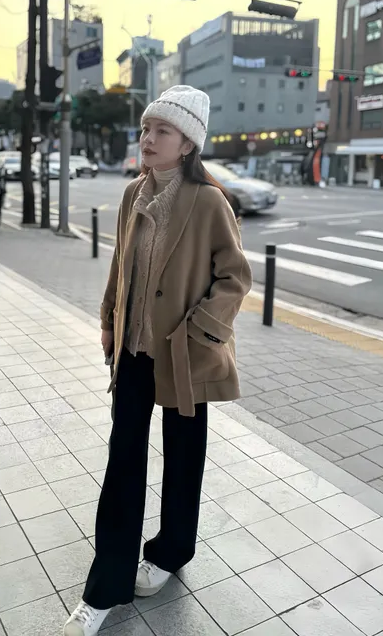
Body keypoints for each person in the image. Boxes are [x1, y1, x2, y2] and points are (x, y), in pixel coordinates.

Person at [64, 86, 253, 636]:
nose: (147, 139)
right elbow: (120, 265)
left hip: (184, 355)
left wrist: (200, 331)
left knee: (184, 459)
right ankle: (105, 586)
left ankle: (171, 552)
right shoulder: (132, 194)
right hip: (133, 352)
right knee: (123, 462)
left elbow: (236, 277)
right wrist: (108, 320)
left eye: (161, 131)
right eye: (146, 129)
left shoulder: (209, 201)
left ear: (187, 143)